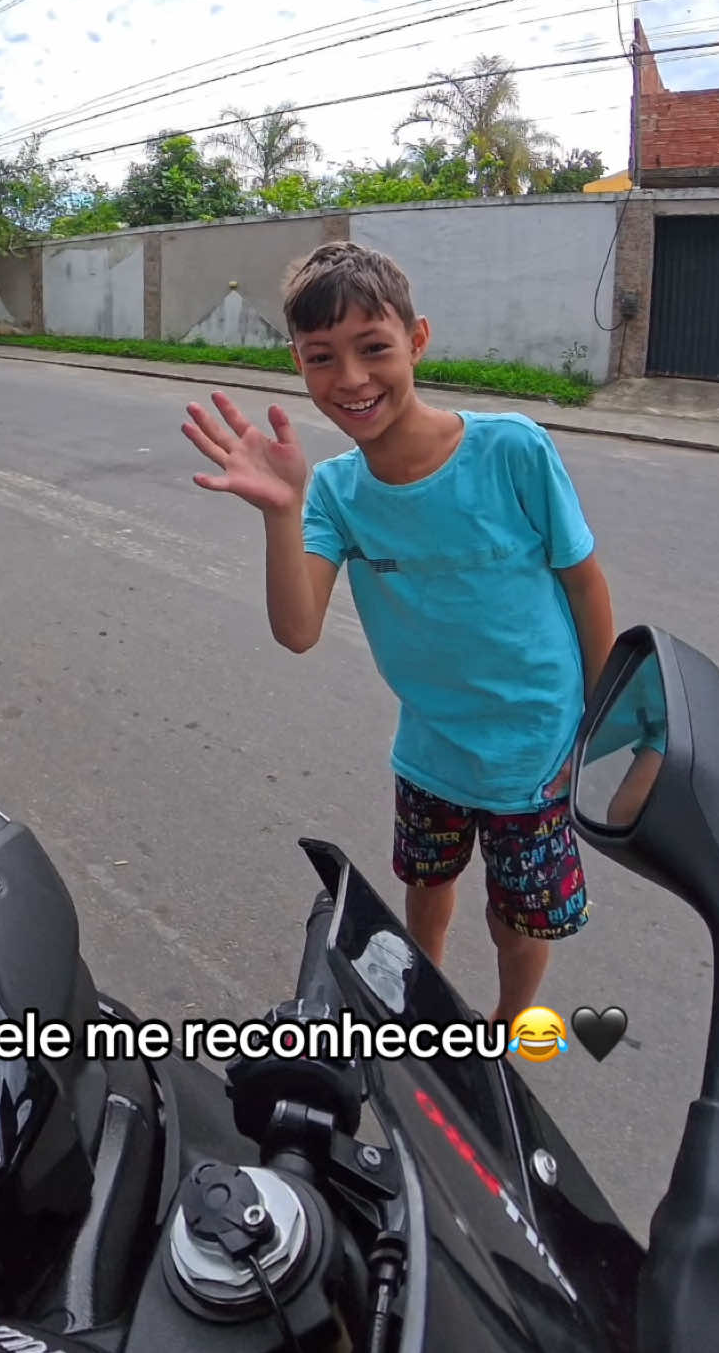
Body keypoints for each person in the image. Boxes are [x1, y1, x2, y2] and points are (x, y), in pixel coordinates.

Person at [182, 241, 615, 1025]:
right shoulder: (335, 492)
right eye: (322, 358)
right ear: (299, 363)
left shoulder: (512, 450)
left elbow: (584, 584)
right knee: (428, 887)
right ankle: (424, 1006)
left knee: (516, 919)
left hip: (537, 753)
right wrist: (284, 512)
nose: (350, 379)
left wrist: (599, 727)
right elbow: (298, 630)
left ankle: (504, 1033)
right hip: (430, 751)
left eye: (373, 348)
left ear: (416, 340)